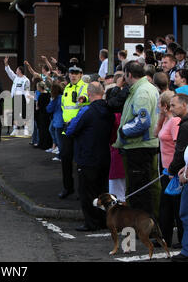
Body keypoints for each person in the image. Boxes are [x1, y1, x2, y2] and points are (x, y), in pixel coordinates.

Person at [113, 60, 161, 219]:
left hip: (139, 147)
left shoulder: (142, 92)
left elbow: (142, 121)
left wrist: (123, 131)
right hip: (140, 146)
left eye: (124, 75)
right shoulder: (142, 88)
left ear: (129, 75)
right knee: (142, 188)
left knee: (139, 190)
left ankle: (144, 224)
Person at [66, 82, 114, 231]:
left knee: (87, 192)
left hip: (87, 156)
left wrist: (70, 125)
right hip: (105, 155)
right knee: (102, 190)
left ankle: (91, 222)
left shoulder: (87, 111)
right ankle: (103, 220)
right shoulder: (109, 110)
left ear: (88, 93)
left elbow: (71, 130)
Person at [155, 91, 183, 250]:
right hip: (165, 168)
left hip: (173, 169)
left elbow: (178, 146)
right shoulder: (167, 120)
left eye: (160, 104)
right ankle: (164, 237)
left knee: (176, 206)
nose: (158, 107)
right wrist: (160, 119)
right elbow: (155, 134)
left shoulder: (175, 122)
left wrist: (173, 168)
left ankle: (180, 238)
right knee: (165, 205)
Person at [59, 65, 90, 199]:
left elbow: (85, 97)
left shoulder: (84, 86)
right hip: (67, 127)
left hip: (79, 129)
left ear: (81, 74)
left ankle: (81, 190)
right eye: (71, 73)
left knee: (80, 161)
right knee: (65, 158)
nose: (73, 76)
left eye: (76, 73)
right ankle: (68, 188)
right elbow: (63, 106)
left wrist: (83, 98)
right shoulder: (67, 87)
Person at [167, 93, 188, 261]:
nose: (171, 109)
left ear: (185, 105)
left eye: (174, 105)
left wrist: (173, 170)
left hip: (183, 173)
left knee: (185, 213)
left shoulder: (185, 126)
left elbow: (180, 152)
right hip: (183, 171)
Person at [4, 56, 31, 136]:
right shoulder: (15, 78)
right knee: (15, 114)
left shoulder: (25, 80)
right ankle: (15, 129)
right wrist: (6, 64)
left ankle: (26, 129)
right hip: (15, 98)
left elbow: (26, 90)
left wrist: (27, 101)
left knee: (24, 114)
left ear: (20, 71)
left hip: (23, 98)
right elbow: (9, 72)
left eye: (17, 70)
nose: (15, 71)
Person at [46, 82, 64, 161]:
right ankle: (61, 154)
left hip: (58, 121)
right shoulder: (63, 97)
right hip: (64, 120)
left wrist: (52, 100)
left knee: (59, 140)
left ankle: (61, 155)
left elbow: (49, 109)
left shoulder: (55, 99)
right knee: (62, 140)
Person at [36, 81, 51, 150]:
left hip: (42, 114)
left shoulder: (41, 96)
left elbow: (38, 106)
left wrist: (36, 106)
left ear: (39, 87)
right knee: (47, 129)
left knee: (42, 129)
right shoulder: (48, 94)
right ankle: (47, 144)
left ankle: (42, 144)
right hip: (47, 114)